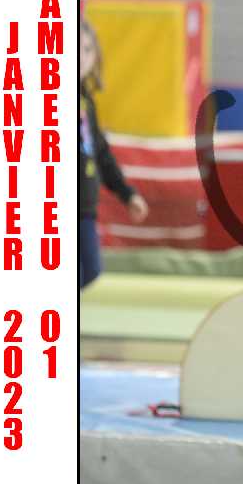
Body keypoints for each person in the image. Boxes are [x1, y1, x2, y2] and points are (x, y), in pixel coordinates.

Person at [80, 20, 149, 287]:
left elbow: (101, 154)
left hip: (85, 207)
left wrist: (127, 193)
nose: (81, 56)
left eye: (87, 49)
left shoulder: (86, 102)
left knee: (91, 270)